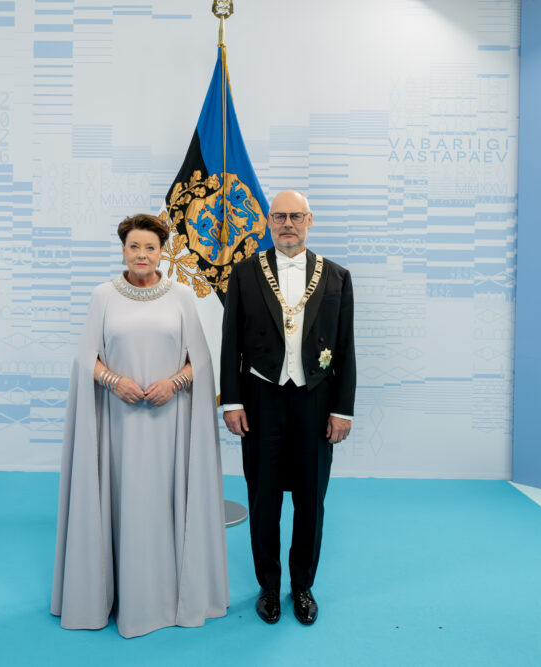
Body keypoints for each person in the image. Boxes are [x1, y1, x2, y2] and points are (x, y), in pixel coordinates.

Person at [51, 214, 229, 638]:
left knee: (163, 504)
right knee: (124, 502)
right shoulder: (103, 296)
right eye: (134, 247)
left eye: (150, 247)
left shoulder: (183, 296)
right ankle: (118, 597)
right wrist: (115, 382)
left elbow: (200, 360)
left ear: (163, 250)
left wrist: (175, 382)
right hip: (119, 425)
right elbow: (85, 359)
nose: (142, 255)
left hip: (170, 424)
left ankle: (169, 598)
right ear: (123, 249)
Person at [220, 190, 356, 626]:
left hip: (316, 400)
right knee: (263, 500)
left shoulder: (337, 276)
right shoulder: (243, 274)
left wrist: (343, 409)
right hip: (260, 400)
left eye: (296, 215)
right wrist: (233, 400)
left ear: (310, 220)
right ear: (268, 221)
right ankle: (268, 586)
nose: (288, 223)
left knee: (311, 500)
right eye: (279, 216)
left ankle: (302, 586)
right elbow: (230, 346)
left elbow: (347, 348)